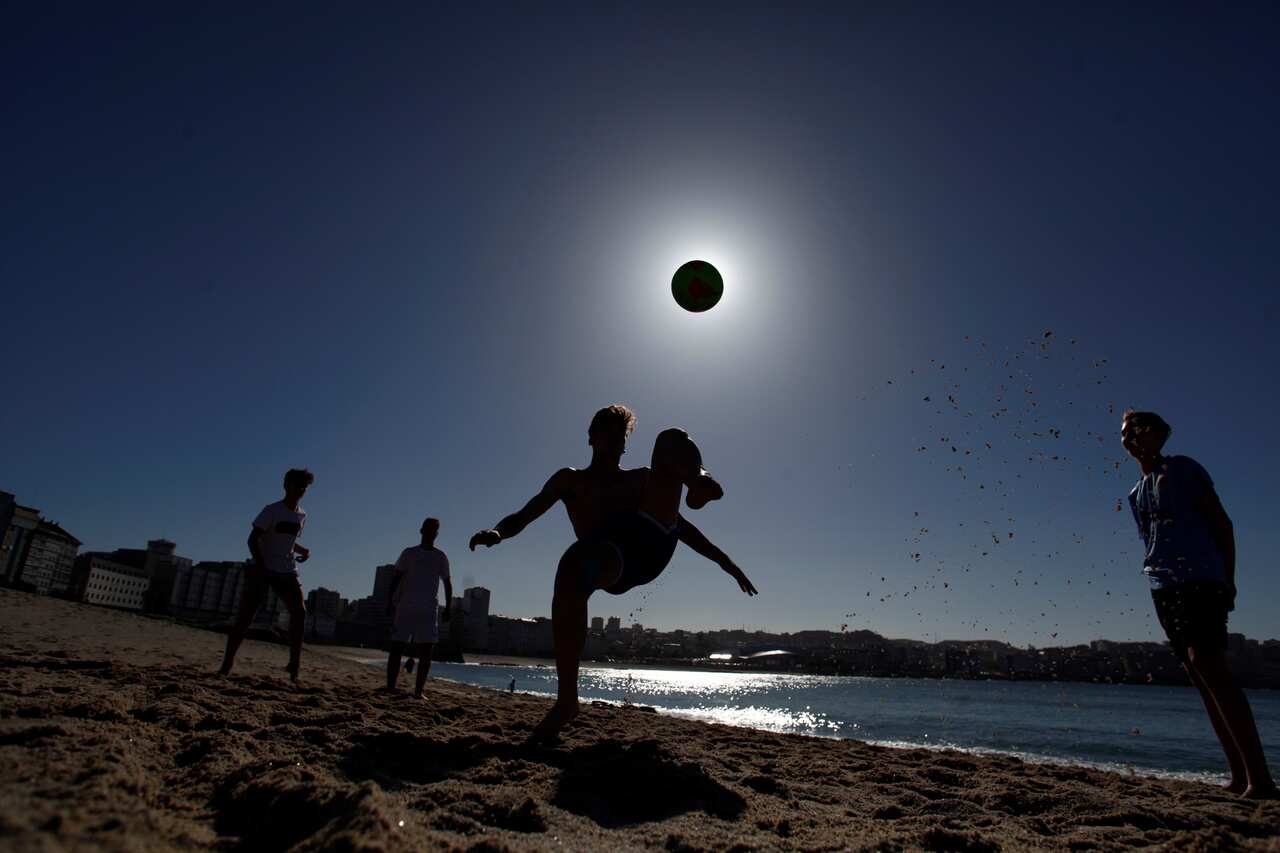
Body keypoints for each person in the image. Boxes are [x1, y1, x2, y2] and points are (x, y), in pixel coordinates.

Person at [470, 404, 757, 742]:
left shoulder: (637, 480)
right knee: (572, 566)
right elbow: (523, 515)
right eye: (609, 434)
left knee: (671, 438)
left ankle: (699, 483)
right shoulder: (570, 480)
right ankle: (566, 703)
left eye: (622, 437)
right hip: (610, 560)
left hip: (652, 544)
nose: (616, 442)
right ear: (592, 437)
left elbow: (680, 526)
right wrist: (498, 533)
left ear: (625, 444)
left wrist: (726, 562)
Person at [1123, 410, 1276, 799]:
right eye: (1124, 432)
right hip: (1162, 585)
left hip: (1201, 578)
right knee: (1200, 676)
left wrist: (1229, 579)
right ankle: (1239, 776)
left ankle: (1260, 780)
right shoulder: (1135, 492)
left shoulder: (1184, 470)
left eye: (1137, 429)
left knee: (1211, 667)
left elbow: (1221, 523)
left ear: (1160, 434)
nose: (1129, 437)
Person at [220, 468, 314, 681]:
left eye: (304, 488)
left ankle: (294, 666)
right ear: (286, 485)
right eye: (296, 486)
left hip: (287, 569)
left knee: (299, 612)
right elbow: (253, 539)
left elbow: (287, 540)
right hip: (263, 567)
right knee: (246, 616)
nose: (300, 491)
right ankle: (227, 664)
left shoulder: (302, 515)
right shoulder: (271, 510)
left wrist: (303, 551)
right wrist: (261, 565)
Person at [385, 517, 453, 697]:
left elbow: (447, 582)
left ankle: (418, 691)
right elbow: (396, 578)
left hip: (428, 609)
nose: (430, 532)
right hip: (406, 605)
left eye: (434, 529)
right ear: (421, 530)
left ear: (436, 534)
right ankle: (391, 687)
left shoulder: (440, 557)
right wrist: (389, 602)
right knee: (397, 647)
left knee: (425, 651)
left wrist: (449, 608)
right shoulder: (409, 553)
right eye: (428, 528)